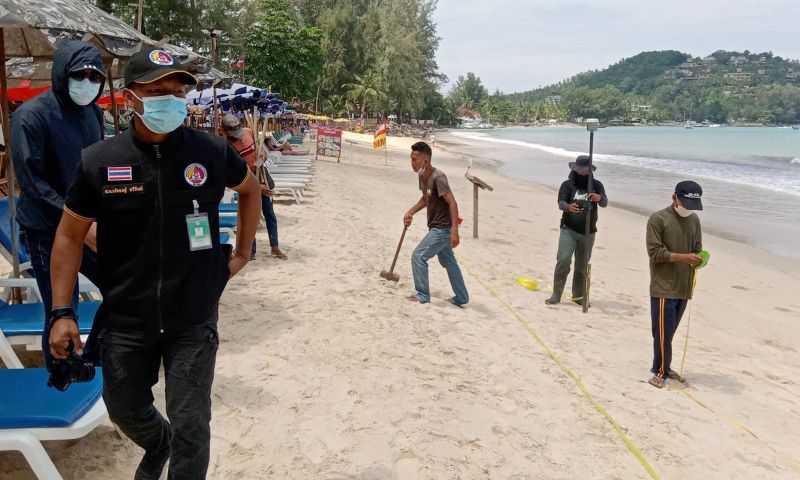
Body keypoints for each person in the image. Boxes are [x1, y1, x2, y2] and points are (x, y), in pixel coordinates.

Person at [47, 48, 261, 479]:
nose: (171, 98)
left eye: (177, 89)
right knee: (123, 406)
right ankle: (156, 442)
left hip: (193, 316)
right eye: (157, 90)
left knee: (192, 424)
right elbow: (69, 236)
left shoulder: (212, 152)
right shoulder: (99, 161)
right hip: (128, 317)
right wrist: (62, 311)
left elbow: (251, 189)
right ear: (131, 99)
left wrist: (241, 252)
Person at [9, 40, 106, 365]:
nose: (88, 83)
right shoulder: (30, 117)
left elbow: (98, 171)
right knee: (62, 310)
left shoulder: (92, 112)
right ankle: (63, 376)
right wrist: (81, 221)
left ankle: (93, 358)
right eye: (81, 75)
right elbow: (34, 185)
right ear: (63, 72)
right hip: (47, 229)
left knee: (125, 285)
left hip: (88, 225)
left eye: (96, 77)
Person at [646, 181, 704, 389]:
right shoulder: (658, 219)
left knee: (669, 333)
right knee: (662, 332)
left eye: (693, 205)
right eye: (685, 203)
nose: (688, 209)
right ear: (674, 198)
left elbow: (697, 247)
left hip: (684, 286)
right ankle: (660, 371)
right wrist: (683, 257)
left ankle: (665, 366)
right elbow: (654, 253)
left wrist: (699, 258)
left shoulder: (694, 220)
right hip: (663, 286)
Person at [404, 141, 469, 306]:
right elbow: (426, 199)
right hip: (437, 226)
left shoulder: (438, 177)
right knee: (448, 261)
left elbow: (452, 203)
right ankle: (462, 297)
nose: (412, 162)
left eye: (414, 159)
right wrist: (411, 211)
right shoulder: (422, 176)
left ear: (424, 161)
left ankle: (422, 295)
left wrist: (454, 231)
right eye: (411, 159)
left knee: (419, 256)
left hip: (443, 229)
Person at [222, 113, 286, 260]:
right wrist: (256, 187)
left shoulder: (249, 131)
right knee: (250, 218)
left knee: (269, 214)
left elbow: (262, 149)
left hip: (264, 177)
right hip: (247, 185)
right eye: (233, 134)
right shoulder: (226, 148)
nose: (239, 136)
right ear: (223, 131)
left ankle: (274, 247)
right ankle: (251, 250)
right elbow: (234, 176)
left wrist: (262, 155)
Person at [545, 155, 608, 306]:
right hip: (569, 229)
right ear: (575, 169)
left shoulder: (597, 185)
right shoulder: (567, 185)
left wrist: (599, 198)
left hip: (588, 232)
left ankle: (578, 296)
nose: (582, 174)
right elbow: (560, 203)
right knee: (563, 260)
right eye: (580, 171)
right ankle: (556, 294)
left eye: (585, 171)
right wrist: (568, 207)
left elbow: (605, 202)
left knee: (582, 265)